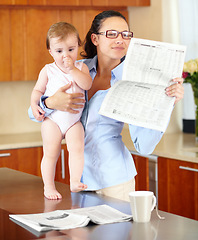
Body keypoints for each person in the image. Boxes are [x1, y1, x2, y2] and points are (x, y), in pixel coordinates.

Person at [29, 10, 184, 202]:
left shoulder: (132, 83)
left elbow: (144, 146)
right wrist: (50, 102)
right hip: (81, 182)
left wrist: (165, 104)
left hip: (114, 182)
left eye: (125, 34)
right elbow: (33, 113)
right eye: (112, 34)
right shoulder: (75, 68)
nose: (120, 40)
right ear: (95, 39)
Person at [30, 22, 92, 200]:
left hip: (74, 122)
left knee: (77, 148)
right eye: (59, 51)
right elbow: (37, 91)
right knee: (50, 152)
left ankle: (74, 181)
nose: (66, 55)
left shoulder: (81, 68)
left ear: (78, 47)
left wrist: (72, 69)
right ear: (50, 51)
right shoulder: (48, 70)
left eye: (71, 49)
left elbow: (87, 84)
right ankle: (48, 186)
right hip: (53, 121)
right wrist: (35, 105)